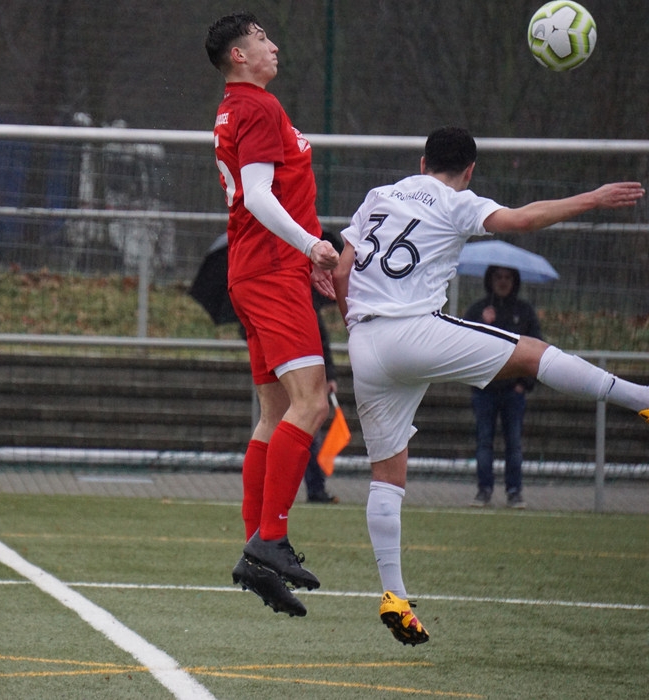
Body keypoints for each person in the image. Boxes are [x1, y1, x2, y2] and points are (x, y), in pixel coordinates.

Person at [331, 126, 646, 646]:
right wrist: (593, 197)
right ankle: (640, 399)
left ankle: (394, 595)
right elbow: (520, 220)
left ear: (422, 159)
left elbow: (343, 274)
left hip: (364, 343)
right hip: (413, 328)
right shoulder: (457, 200)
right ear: (470, 170)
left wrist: (355, 326)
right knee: (530, 354)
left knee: (387, 476)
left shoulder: (378, 197)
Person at [206, 12, 340, 618]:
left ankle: (256, 553)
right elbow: (260, 195)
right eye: (262, 38)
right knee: (311, 405)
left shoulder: (239, 107)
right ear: (239, 54)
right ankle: (271, 539)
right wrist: (311, 245)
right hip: (270, 271)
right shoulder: (257, 107)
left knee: (275, 412)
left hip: (252, 270)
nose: (274, 45)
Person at [464, 266, 542, 508]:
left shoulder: (525, 312)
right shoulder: (478, 310)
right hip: (485, 390)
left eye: (508, 277)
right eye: (498, 277)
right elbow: (463, 344)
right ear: (490, 280)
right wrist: (481, 323)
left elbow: (536, 347)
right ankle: (484, 490)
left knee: (514, 444)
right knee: (484, 442)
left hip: (513, 392)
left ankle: (514, 491)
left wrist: (524, 385)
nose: (503, 282)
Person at [304, 309, 340, 504]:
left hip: (307, 379)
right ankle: (315, 488)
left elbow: (322, 342)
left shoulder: (308, 309)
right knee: (308, 438)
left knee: (309, 439)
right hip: (300, 379)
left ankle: (316, 488)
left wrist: (330, 374)